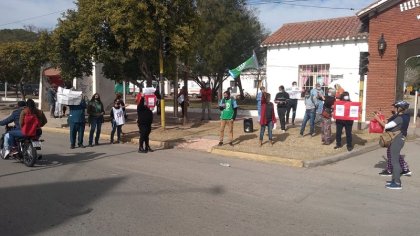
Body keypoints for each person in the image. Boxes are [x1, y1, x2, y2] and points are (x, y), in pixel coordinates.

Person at [376, 101, 412, 180]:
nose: (394, 109)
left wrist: (377, 119)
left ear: (400, 108)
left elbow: (386, 125)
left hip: (396, 138)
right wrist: (381, 115)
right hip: (399, 138)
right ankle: (405, 169)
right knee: (395, 154)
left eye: (395, 107)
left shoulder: (400, 118)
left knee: (392, 156)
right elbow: (389, 120)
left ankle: (393, 175)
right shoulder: (404, 116)